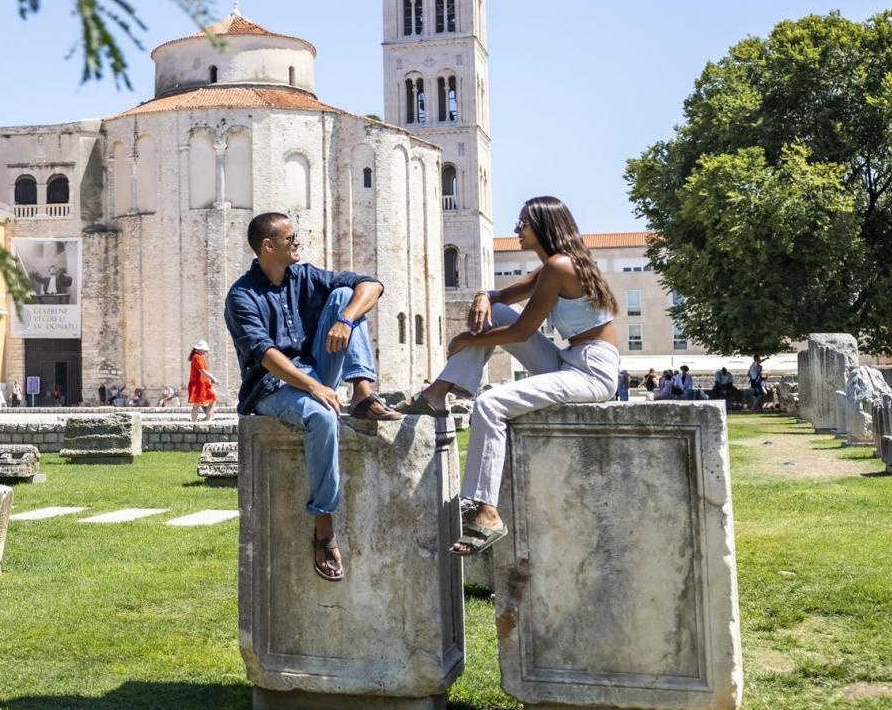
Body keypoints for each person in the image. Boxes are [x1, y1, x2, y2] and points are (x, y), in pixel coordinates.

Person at [416, 197, 619, 557]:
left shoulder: (559, 266)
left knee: (490, 404)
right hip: (569, 359)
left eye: (523, 223)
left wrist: (467, 339)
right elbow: (503, 297)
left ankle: (487, 512)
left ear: (543, 226)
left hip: (592, 370)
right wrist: (484, 296)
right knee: (495, 311)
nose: (516, 229)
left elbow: (522, 331)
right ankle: (437, 392)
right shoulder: (550, 267)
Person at [224, 212, 401, 582]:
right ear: (268, 246)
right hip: (272, 387)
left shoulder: (306, 276)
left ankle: (363, 392)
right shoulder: (241, 296)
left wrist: (346, 319)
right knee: (322, 416)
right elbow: (265, 354)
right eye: (291, 238)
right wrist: (314, 387)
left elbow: (372, 285)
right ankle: (323, 523)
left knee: (345, 296)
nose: (298, 242)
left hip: (317, 371)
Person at [187, 343, 217, 423]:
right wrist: (213, 378)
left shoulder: (199, 357)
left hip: (202, 384)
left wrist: (209, 380)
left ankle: (207, 418)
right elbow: (202, 370)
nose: (206, 351)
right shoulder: (197, 357)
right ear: (199, 349)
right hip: (198, 385)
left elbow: (203, 372)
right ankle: (196, 421)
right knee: (197, 404)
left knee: (213, 397)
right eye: (205, 350)